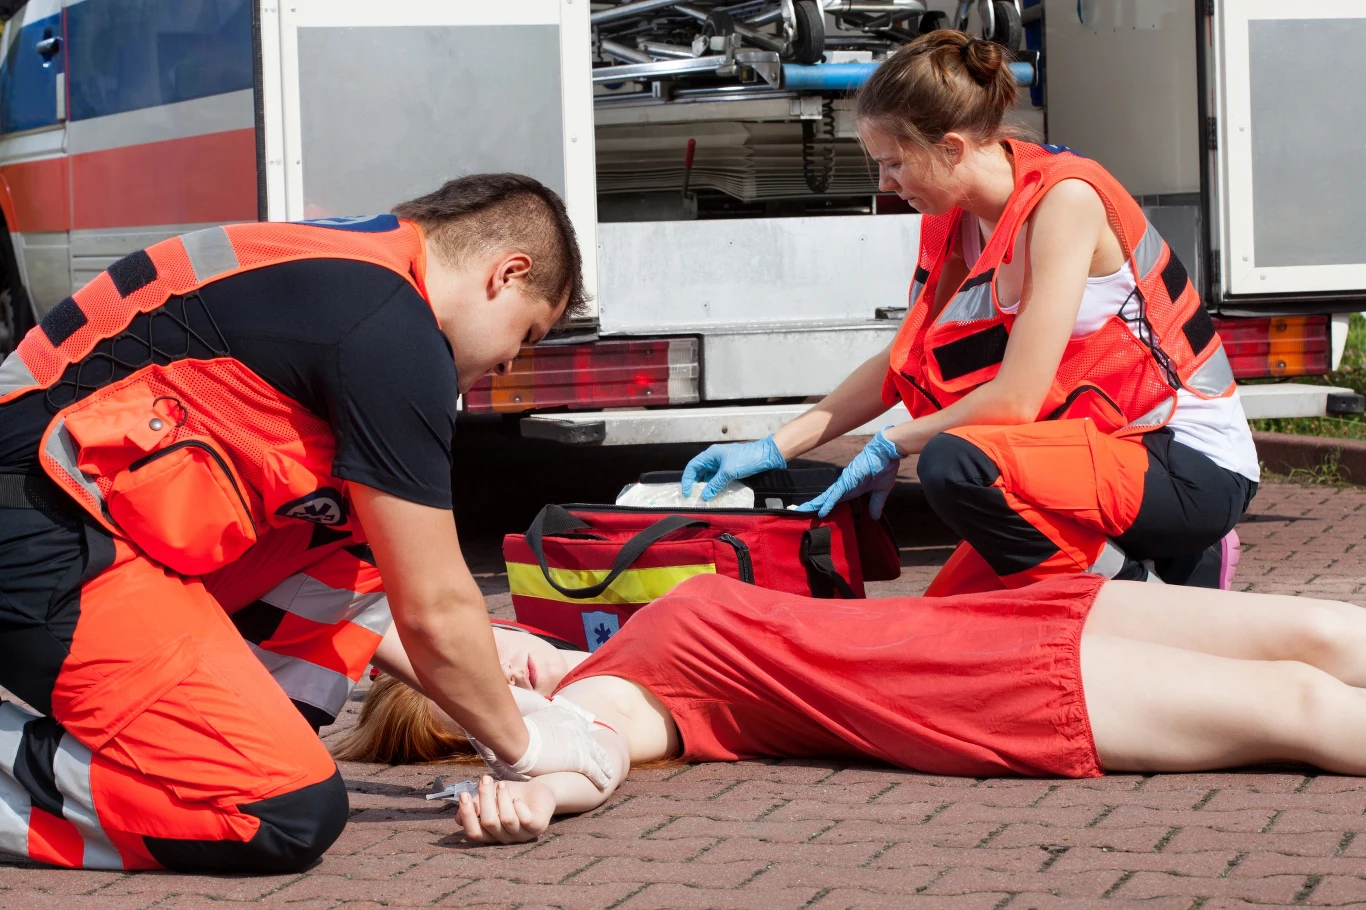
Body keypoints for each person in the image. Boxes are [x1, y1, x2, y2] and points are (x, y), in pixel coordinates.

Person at [0, 174, 614, 873]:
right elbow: (435, 609)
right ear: (507, 273)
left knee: (364, 537)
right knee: (278, 810)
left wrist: (491, 704)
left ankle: (235, 730)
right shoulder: (394, 332)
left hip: (60, 510)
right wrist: (526, 746)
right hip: (43, 525)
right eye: (527, 333)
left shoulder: (358, 269)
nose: (509, 362)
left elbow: (382, 592)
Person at [680, 31, 1259, 595]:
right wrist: (774, 446)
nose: (885, 183)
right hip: (1090, 455)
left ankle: (1156, 599)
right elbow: (905, 363)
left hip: (1187, 464)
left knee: (954, 463)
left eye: (895, 164)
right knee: (947, 625)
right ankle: (1163, 569)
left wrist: (892, 443)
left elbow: (1015, 400)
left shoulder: (1067, 201)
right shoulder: (949, 219)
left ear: (952, 148)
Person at [338, 573, 1366, 845]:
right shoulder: (596, 697)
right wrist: (536, 791)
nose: (482, 626)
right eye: (454, 651)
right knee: (1302, 704)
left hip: (992, 620)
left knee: (1322, 632)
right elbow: (591, 758)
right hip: (977, 688)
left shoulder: (609, 656)